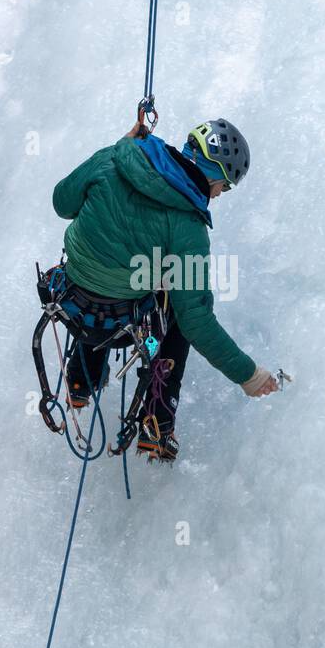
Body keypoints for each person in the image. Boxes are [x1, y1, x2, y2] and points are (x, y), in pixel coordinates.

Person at [51, 115, 279, 463]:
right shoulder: (189, 227)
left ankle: (81, 380)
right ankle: (157, 422)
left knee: (118, 271)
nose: (219, 194)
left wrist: (118, 148)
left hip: (70, 297)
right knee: (178, 307)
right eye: (225, 186)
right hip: (122, 321)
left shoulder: (113, 157)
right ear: (214, 173)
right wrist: (248, 375)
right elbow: (197, 323)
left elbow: (61, 203)